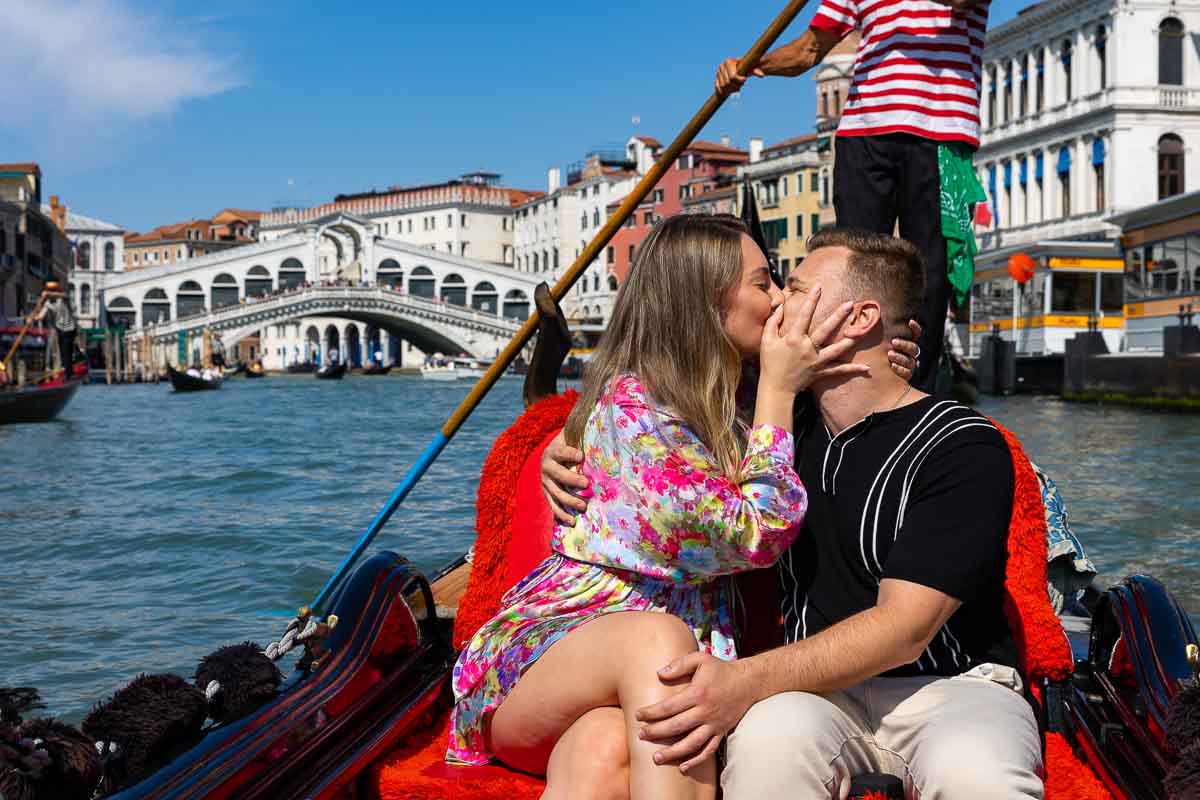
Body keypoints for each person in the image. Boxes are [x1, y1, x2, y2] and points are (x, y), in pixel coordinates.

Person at [544, 230, 1041, 798]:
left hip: (952, 685)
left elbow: (904, 630)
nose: (779, 299)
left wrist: (744, 681)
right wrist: (567, 442)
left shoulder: (962, 445)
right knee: (765, 756)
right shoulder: (771, 432)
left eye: (797, 288)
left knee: (978, 773)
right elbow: (661, 413)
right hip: (811, 693)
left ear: (859, 319)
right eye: (773, 285)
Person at [447, 214, 869, 800]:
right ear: (705, 300)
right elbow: (757, 534)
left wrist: (882, 348)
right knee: (658, 643)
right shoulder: (635, 414)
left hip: (632, 690)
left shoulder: (732, 395)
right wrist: (778, 387)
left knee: (602, 751)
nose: (776, 301)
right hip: (540, 663)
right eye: (762, 283)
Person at [715, 0, 990, 392]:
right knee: (849, 266)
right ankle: (844, 387)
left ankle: (918, 393)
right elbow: (808, 50)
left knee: (928, 273)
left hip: (941, 131)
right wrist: (748, 66)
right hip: (863, 134)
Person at [34, 285, 77, 378]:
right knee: (62, 352)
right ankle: (67, 371)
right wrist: (32, 318)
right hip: (60, 329)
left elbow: (65, 295)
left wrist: (48, 293)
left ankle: (69, 374)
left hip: (70, 328)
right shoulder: (48, 303)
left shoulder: (62, 298)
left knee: (67, 351)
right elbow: (41, 316)